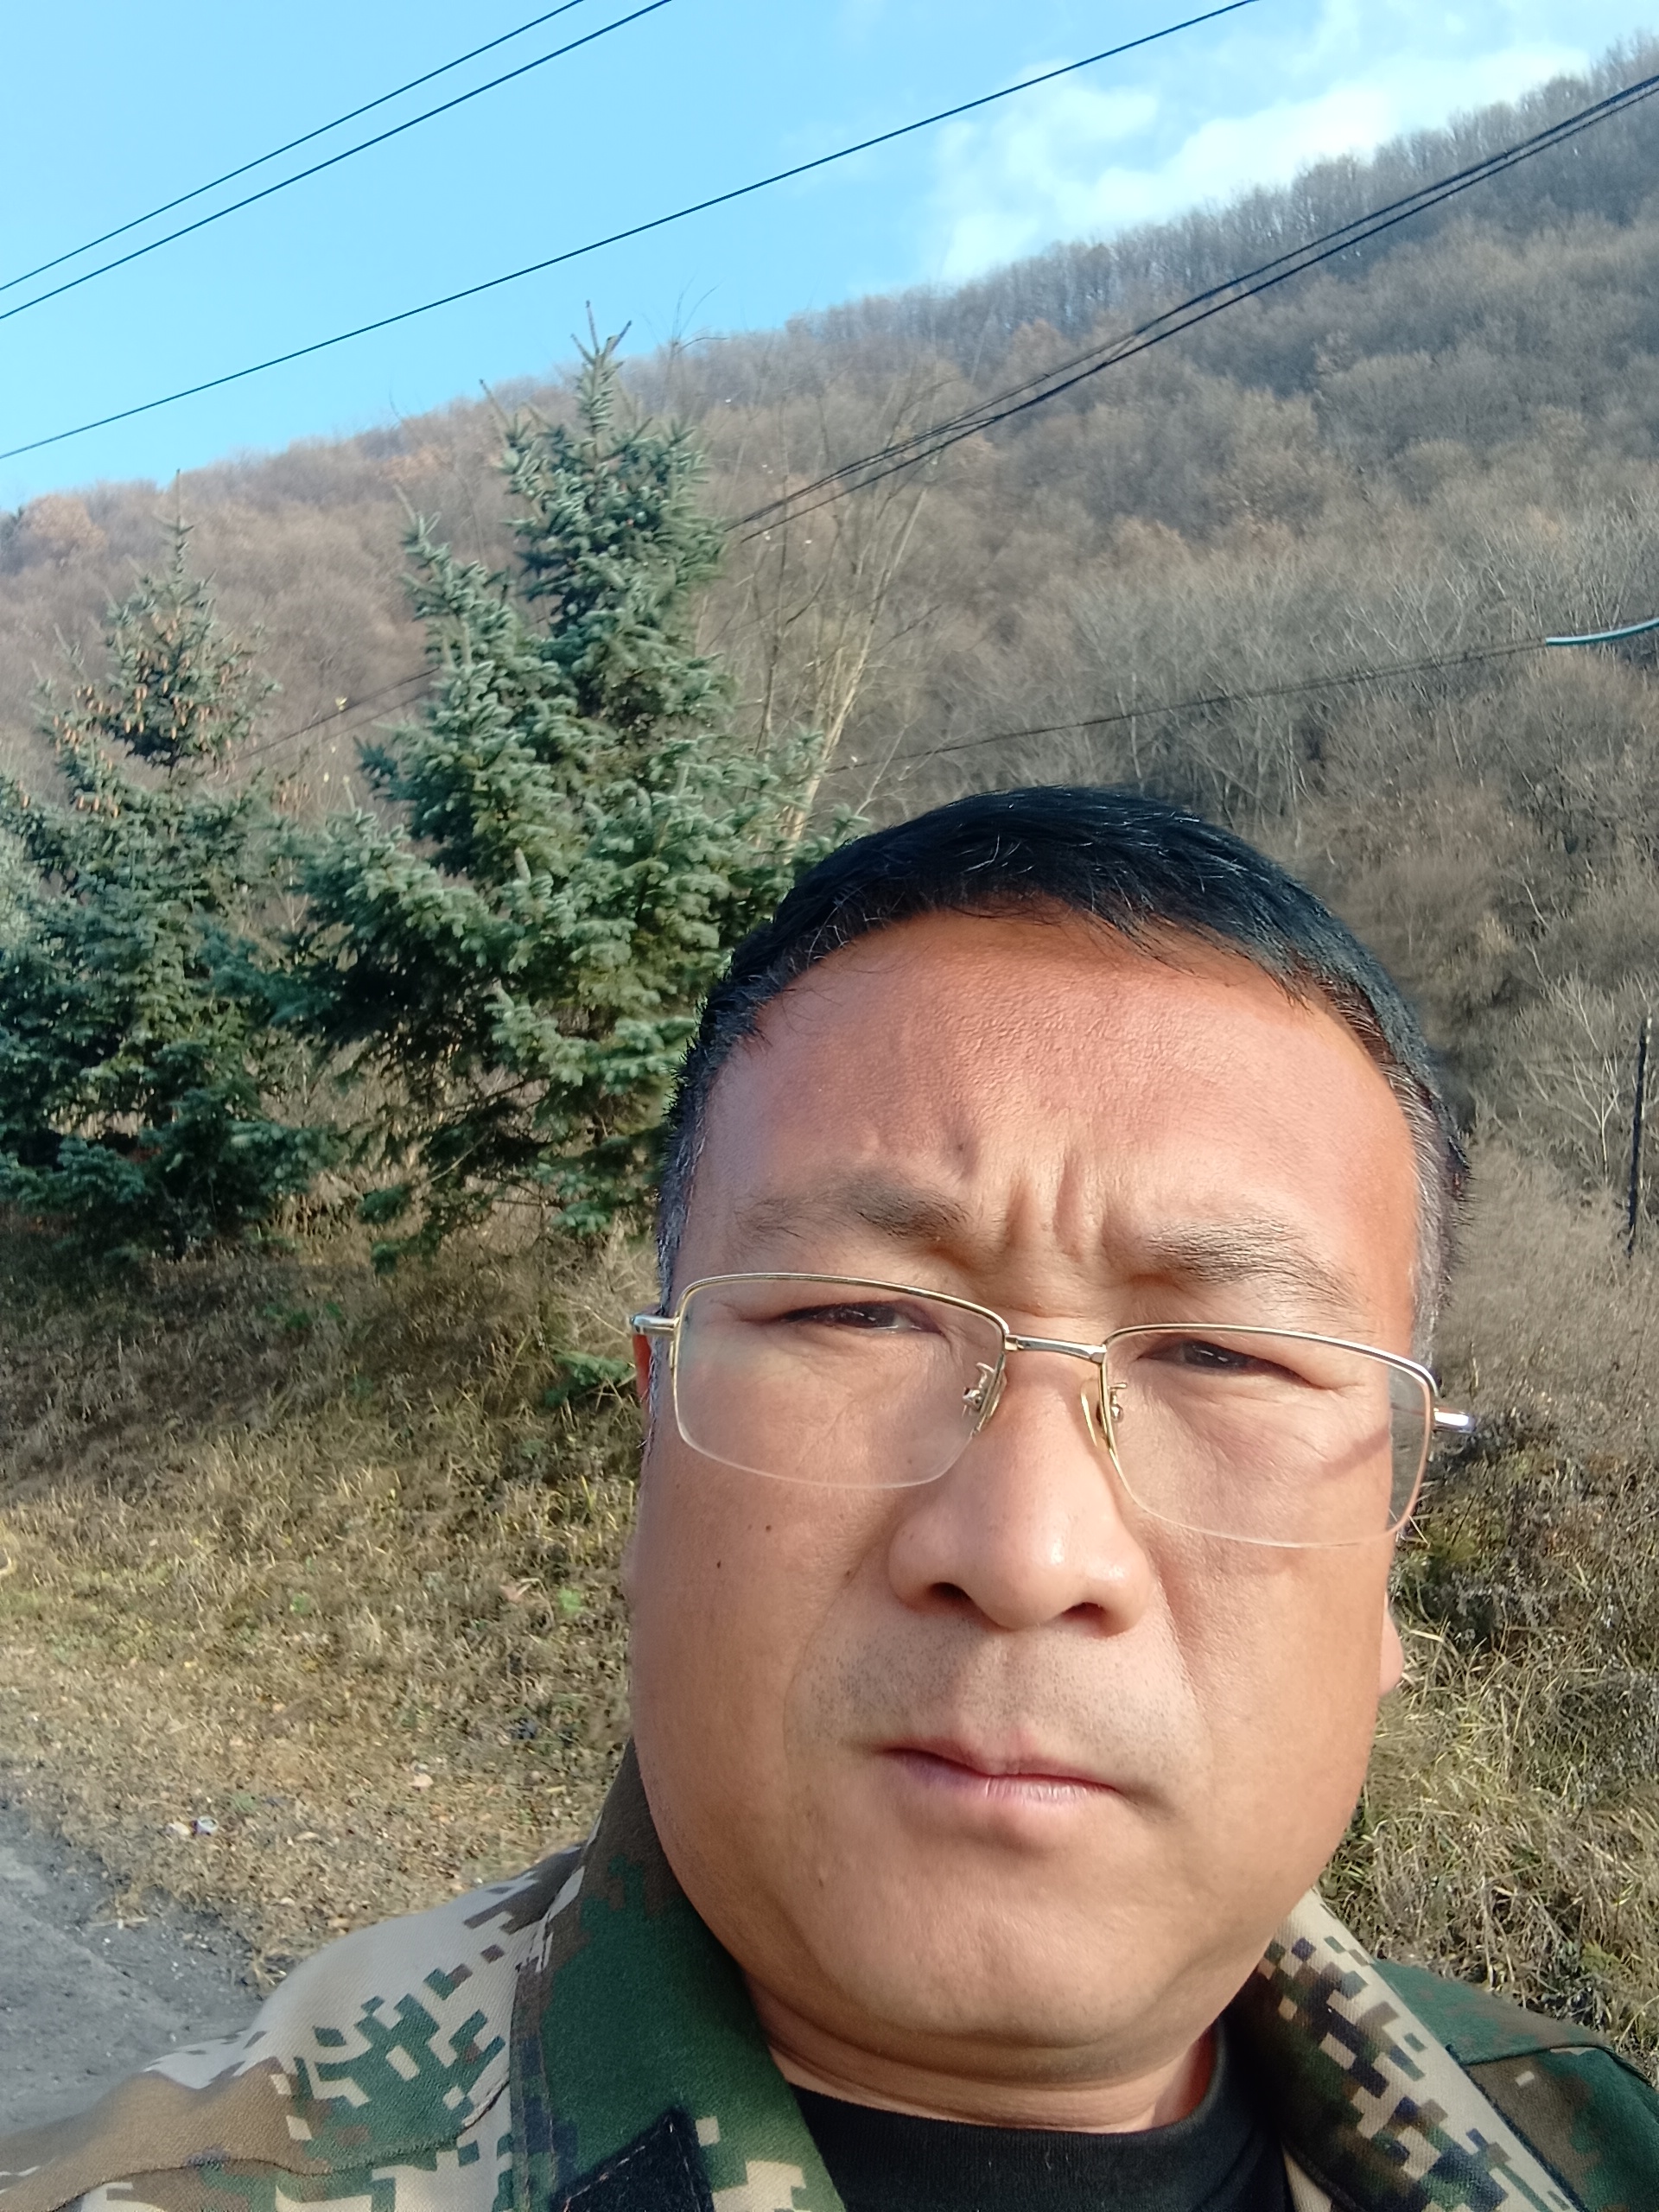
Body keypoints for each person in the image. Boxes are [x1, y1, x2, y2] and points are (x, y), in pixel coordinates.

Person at [2, 786, 1653, 2212]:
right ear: (651, 1451)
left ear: (1392, 1541)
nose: (1028, 1551)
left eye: (1225, 1355)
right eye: (861, 1316)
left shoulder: (1596, 2141)